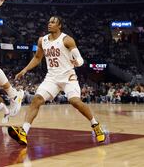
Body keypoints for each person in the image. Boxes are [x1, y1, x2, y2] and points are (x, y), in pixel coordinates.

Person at [8, 16, 106, 145]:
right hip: (52, 78)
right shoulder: (42, 40)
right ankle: (24, 132)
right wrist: (25, 70)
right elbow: (37, 58)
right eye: (49, 22)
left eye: (53, 22)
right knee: (37, 99)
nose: (49, 24)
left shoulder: (67, 40)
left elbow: (80, 59)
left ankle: (95, 125)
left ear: (59, 25)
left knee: (75, 101)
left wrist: (77, 62)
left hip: (68, 77)